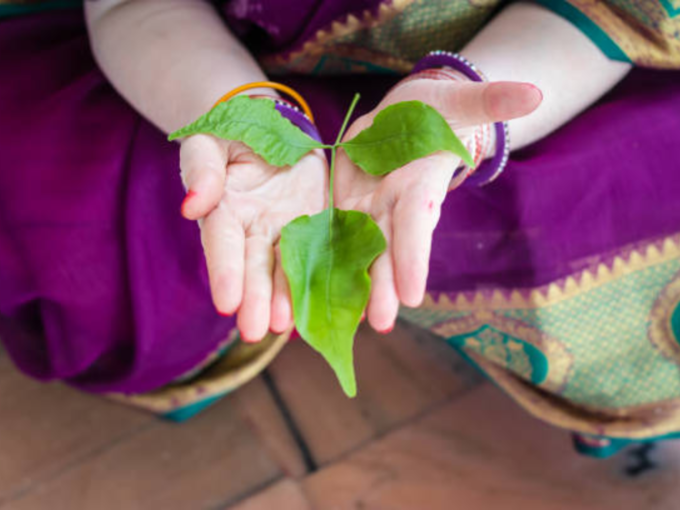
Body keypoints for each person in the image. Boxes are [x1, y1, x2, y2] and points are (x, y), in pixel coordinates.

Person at [1, 0, 679, 455]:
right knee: (75, 227)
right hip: (219, 69)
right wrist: (226, 109)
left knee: (628, 198)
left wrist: (464, 109)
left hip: (525, 71)